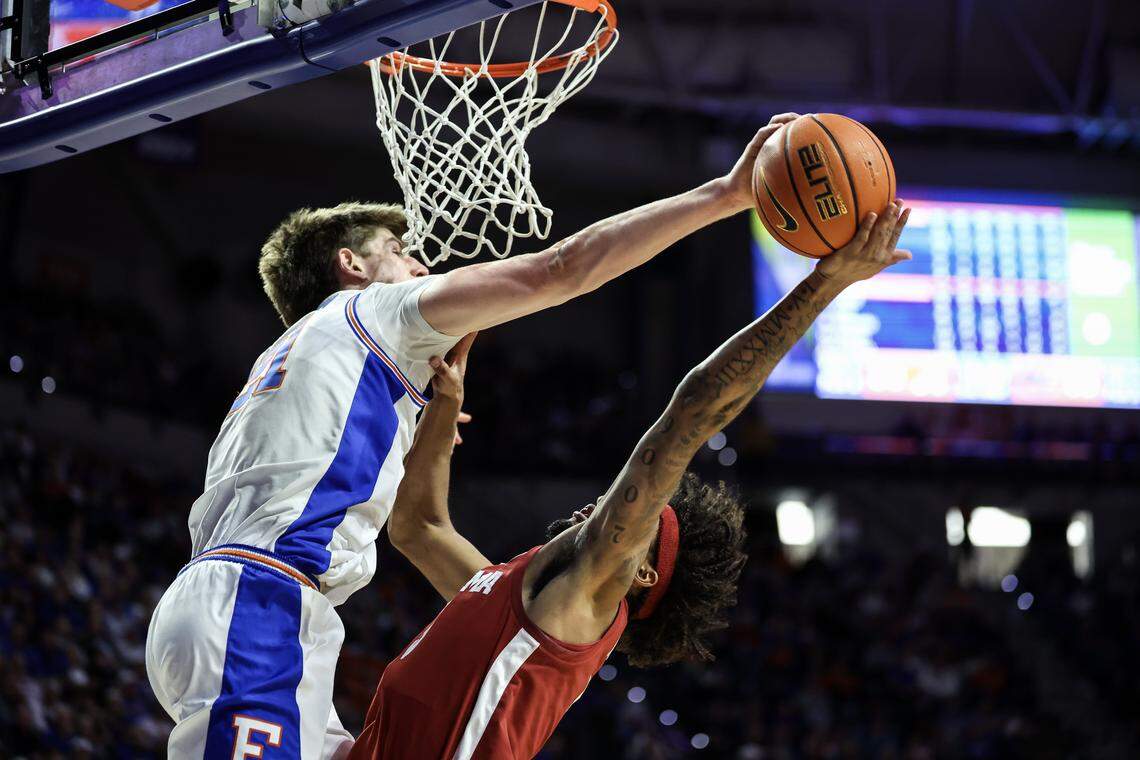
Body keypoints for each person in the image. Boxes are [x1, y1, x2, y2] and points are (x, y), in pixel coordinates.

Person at [144, 113, 804, 759]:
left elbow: (407, 516)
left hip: (252, 605)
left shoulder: (291, 356)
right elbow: (563, 269)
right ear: (351, 266)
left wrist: (423, 422)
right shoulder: (378, 307)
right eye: (398, 253)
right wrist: (729, 193)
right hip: (260, 604)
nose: (420, 262)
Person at [349, 203, 912, 759]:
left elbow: (693, 413)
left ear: (637, 570)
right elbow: (418, 528)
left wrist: (823, 285)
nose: (603, 503)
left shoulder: (586, 599)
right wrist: (445, 405)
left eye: (638, 515)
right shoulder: (506, 598)